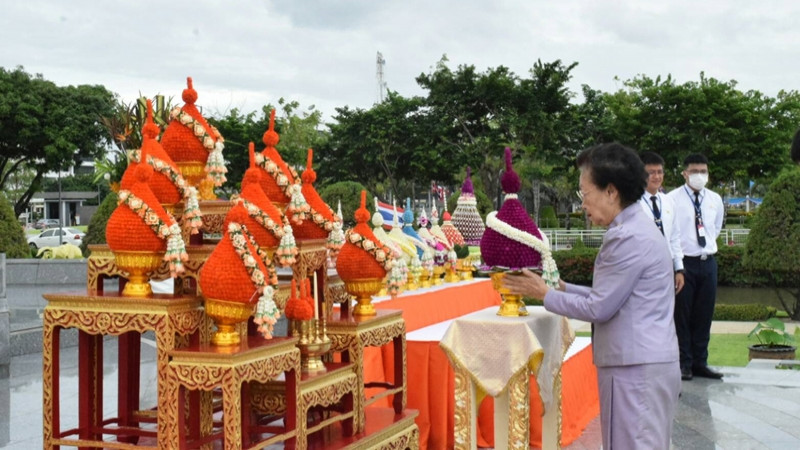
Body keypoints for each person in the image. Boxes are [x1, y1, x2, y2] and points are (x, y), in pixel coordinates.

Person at [503, 143, 680, 449]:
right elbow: (613, 295)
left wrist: (543, 293)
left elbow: (600, 307)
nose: (583, 204)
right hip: (643, 362)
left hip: (635, 368)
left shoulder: (627, 237)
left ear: (611, 192)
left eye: (585, 194)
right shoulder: (636, 227)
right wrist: (563, 288)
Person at [666, 154, 725, 381]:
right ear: (685, 173)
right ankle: (684, 363)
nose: (699, 175)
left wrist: (706, 247)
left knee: (704, 314)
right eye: (694, 171)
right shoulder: (672, 199)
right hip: (684, 263)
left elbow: (716, 228)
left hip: (707, 261)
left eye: (703, 171)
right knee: (682, 314)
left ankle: (701, 361)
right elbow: (671, 233)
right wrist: (677, 265)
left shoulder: (714, 199)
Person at [639, 152, 685, 293]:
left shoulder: (668, 201)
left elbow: (674, 238)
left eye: (660, 172)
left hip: (667, 269)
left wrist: (679, 269)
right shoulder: (632, 204)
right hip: (642, 270)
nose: (657, 176)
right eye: (651, 172)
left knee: (666, 311)